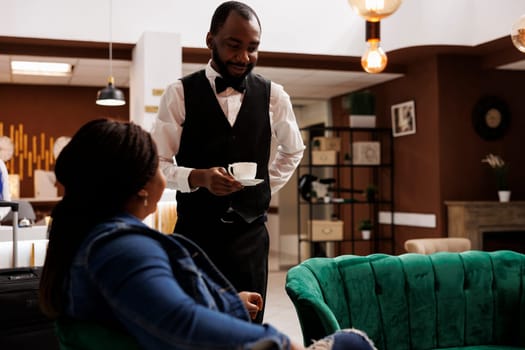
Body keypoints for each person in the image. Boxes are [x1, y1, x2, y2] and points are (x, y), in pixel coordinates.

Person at [38, 118, 376, 350]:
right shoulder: (122, 248)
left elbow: (147, 306)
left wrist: (227, 303)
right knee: (351, 342)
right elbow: (180, 323)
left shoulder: (96, 238)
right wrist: (283, 343)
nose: (163, 172)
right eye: (158, 164)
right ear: (140, 187)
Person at [151, 1, 305, 324]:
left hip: (250, 239)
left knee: (247, 330)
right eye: (234, 46)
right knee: (194, 323)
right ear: (211, 41)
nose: (244, 57)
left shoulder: (274, 95)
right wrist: (196, 178)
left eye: (253, 48)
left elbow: (293, 150)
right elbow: (159, 162)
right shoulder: (179, 94)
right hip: (195, 235)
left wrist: (259, 187)